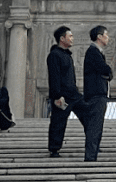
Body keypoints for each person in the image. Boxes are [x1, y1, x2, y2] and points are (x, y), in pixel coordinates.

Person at [47, 26, 93, 158]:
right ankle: (54, 150)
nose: (72, 38)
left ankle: (92, 144)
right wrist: (57, 96)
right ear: (62, 39)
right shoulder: (54, 55)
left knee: (89, 116)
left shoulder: (67, 55)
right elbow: (54, 77)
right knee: (58, 123)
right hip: (62, 96)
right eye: (70, 36)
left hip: (74, 95)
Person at [80, 26, 111, 161]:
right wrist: (109, 71)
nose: (108, 37)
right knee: (94, 127)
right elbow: (104, 69)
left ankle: (93, 155)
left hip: (97, 94)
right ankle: (91, 157)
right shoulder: (93, 52)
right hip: (96, 94)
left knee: (96, 127)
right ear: (99, 36)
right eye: (106, 34)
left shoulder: (96, 52)